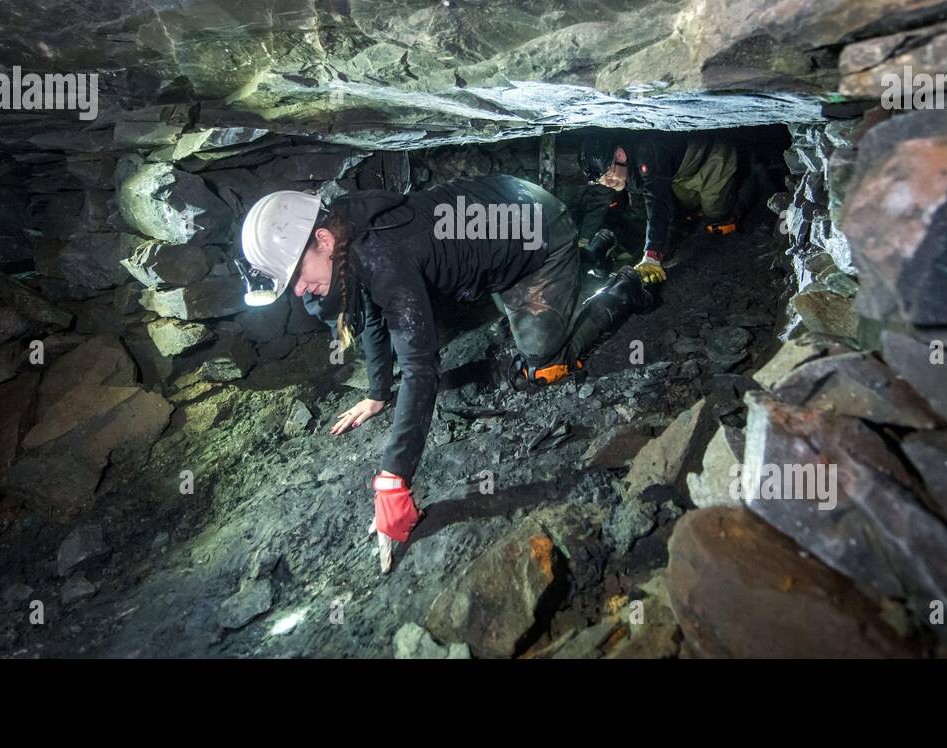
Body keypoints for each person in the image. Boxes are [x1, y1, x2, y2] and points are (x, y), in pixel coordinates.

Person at [237, 174, 655, 550]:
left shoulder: (383, 255)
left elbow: (421, 369)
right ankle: (592, 256)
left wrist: (394, 478)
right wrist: (378, 393)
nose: (298, 291)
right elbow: (371, 310)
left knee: (544, 365)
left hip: (538, 233)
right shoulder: (347, 228)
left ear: (324, 241)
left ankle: (623, 288)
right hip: (504, 219)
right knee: (515, 313)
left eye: (297, 274)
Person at [575, 130, 739, 283]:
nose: (608, 183)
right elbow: (608, 202)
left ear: (620, 155)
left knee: (717, 215)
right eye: (601, 180)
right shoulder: (619, 168)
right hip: (677, 174)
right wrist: (583, 241)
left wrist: (652, 256)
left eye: (608, 175)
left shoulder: (647, 152)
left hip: (709, 160)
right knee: (685, 211)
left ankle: (746, 193)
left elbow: (657, 202)